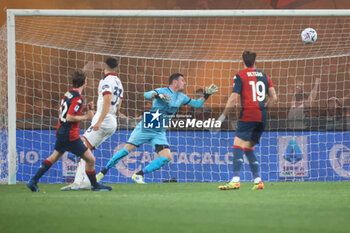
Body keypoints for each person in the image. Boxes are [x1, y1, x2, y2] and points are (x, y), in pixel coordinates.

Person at [96, 73, 218, 184]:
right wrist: (158, 95)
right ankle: (102, 172)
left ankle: (138, 175)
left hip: (160, 130)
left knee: (166, 157)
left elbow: (197, 104)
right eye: (182, 80)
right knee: (127, 149)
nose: (185, 83)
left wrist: (206, 95)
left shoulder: (182, 97)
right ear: (175, 82)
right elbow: (147, 94)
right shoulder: (163, 91)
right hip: (150, 123)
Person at [26, 70, 112, 192]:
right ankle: (95, 185)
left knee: (54, 157)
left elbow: (67, 113)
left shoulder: (68, 93)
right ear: (85, 82)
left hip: (61, 130)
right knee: (90, 159)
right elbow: (70, 117)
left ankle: (33, 181)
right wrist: (86, 116)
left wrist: (86, 110)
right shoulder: (78, 98)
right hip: (70, 135)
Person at [217, 51, 277, 190]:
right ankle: (258, 180)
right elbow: (274, 98)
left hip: (248, 114)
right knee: (249, 148)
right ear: (256, 61)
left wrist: (223, 116)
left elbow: (233, 98)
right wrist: (264, 109)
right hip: (261, 117)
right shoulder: (265, 76)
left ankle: (235, 180)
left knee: (237, 145)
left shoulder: (240, 75)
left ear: (242, 61)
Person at [61, 58, 124, 191]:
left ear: (104, 66)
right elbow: (118, 103)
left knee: (82, 147)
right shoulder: (119, 82)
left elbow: (107, 101)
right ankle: (82, 182)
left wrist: (100, 120)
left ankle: (79, 183)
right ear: (117, 68)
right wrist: (107, 112)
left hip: (104, 121)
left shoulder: (106, 81)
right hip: (112, 121)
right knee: (86, 148)